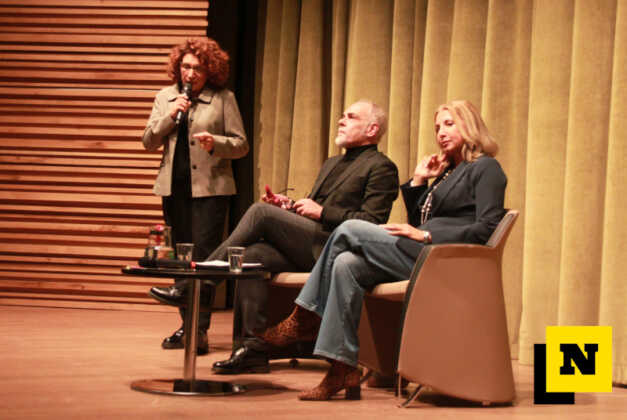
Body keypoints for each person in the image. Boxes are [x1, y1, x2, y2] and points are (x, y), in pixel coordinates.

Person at [259, 99, 507, 401]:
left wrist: (427, 235)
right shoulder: (448, 172)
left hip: (441, 260)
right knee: (346, 264)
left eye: (449, 124)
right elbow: (420, 221)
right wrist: (419, 180)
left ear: (470, 125)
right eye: (437, 127)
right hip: (419, 253)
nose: (441, 133)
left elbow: (487, 227)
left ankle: (306, 314)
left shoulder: (486, 168)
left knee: (349, 229)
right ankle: (341, 367)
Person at [149, 100, 400, 372]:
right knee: (251, 256)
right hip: (312, 244)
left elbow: (371, 224)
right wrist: (289, 207)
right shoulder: (332, 163)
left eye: (351, 117)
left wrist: (322, 212)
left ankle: (200, 283)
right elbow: (313, 212)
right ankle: (253, 349)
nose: (341, 120)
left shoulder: (382, 167)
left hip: (336, 252)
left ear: (372, 129)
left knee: (261, 213)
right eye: (342, 116)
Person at [142, 37, 248, 355]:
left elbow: (241, 145)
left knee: (201, 260)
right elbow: (148, 141)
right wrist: (170, 115)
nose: (191, 73)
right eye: (186, 67)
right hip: (173, 190)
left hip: (210, 191)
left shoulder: (223, 99)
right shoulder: (165, 97)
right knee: (180, 258)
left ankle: (198, 330)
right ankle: (186, 326)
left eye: (199, 68)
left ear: (210, 71)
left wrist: (216, 143)